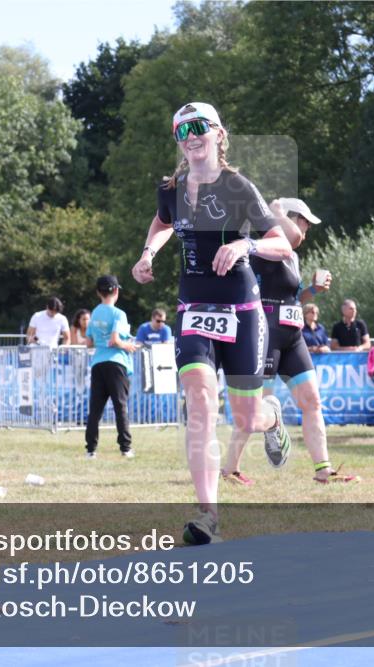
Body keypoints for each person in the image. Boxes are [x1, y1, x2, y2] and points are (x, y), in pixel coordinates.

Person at [131, 101, 293, 545]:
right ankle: (208, 515)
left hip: (242, 312)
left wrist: (246, 248)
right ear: (178, 142)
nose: (191, 135)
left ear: (220, 134)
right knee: (200, 402)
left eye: (200, 126)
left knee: (245, 414)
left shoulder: (239, 186)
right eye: (182, 130)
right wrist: (149, 253)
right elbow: (162, 222)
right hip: (193, 310)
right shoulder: (171, 188)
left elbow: (280, 243)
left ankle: (272, 417)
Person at [224, 197, 358, 486]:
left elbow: (293, 296)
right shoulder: (260, 244)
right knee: (254, 407)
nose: (306, 231)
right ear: (288, 218)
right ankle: (230, 468)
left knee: (312, 402)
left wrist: (312, 289)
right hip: (265, 334)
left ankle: (324, 470)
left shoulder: (292, 255)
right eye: (304, 223)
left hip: (292, 334)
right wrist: (274, 212)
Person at [85, 276, 138, 459]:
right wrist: (128, 346)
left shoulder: (94, 313)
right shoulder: (119, 314)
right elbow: (115, 340)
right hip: (116, 364)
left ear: (98, 292)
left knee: (95, 409)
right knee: (120, 406)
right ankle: (125, 448)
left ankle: (90, 450)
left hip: (98, 363)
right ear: (116, 291)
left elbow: (89, 343)